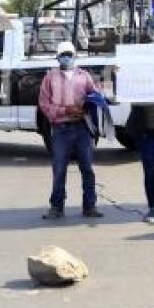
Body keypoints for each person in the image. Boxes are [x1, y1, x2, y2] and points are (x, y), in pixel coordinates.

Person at [38, 41, 102, 219]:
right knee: (59, 169)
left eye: (69, 54)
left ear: (75, 55)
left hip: (82, 129)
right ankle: (56, 207)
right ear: (57, 57)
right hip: (61, 129)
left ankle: (90, 206)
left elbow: (94, 96)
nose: (66, 57)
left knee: (87, 168)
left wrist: (91, 104)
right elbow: (44, 104)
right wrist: (65, 110)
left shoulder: (85, 76)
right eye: (63, 54)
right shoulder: (50, 78)